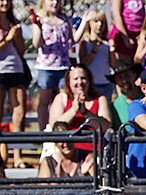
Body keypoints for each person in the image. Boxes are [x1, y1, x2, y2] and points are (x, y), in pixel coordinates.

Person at [32, 0, 81, 131]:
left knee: (64, 98)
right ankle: (43, 131)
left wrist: (85, 21)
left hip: (63, 65)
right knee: (44, 100)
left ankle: (62, 128)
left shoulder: (65, 19)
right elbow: (37, 43)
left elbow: (74, 38)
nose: (54, 3)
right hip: (46, 67)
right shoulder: (41, 19)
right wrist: (37, 26)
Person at [48, 64, 112, 163]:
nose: (80, 82)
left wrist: (85, 112)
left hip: (94, 153)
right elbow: (54, 126)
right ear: (68, 82)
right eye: (75, 79)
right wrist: (73, 110)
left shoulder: (100, 99)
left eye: (83, 78)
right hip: (67, 152)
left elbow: (106, 125)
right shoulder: (61, 98)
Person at [0, 0, 27, 167]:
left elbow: (22, 50)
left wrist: (16, 37)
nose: (5, 3)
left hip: (15, 69)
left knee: (20, 112)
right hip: (0, 70)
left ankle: (18, 155)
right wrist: (7, 38)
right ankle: (2, 157)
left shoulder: (14, 22)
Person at [78, 10, 115, 102]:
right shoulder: (85, 43)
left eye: (102, 22)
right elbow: (83, 63)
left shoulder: (106, 44)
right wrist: (94, 51)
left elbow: (113, 64)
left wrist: (112, 51)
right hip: (91, 84)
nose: (99, 25)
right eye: (96, 21)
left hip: (106, 83)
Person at [107, 60, 143, 128]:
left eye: (127, 76)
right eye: (120, 78)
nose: (124, 81)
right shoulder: (114, 107)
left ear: (134, 75)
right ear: (116, 81)